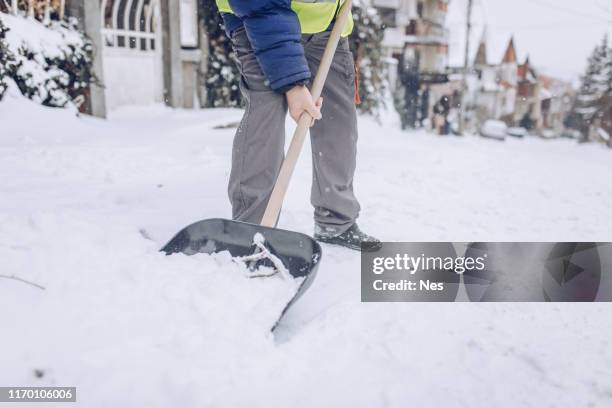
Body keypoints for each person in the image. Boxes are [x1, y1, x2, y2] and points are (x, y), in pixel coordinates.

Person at [216, 0, 381, 252]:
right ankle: (252, 227)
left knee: (338, 123)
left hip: (329, 24)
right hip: (258, 19)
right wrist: (293, 85)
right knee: (266, 117)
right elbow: (261, 7)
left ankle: (335, 220)